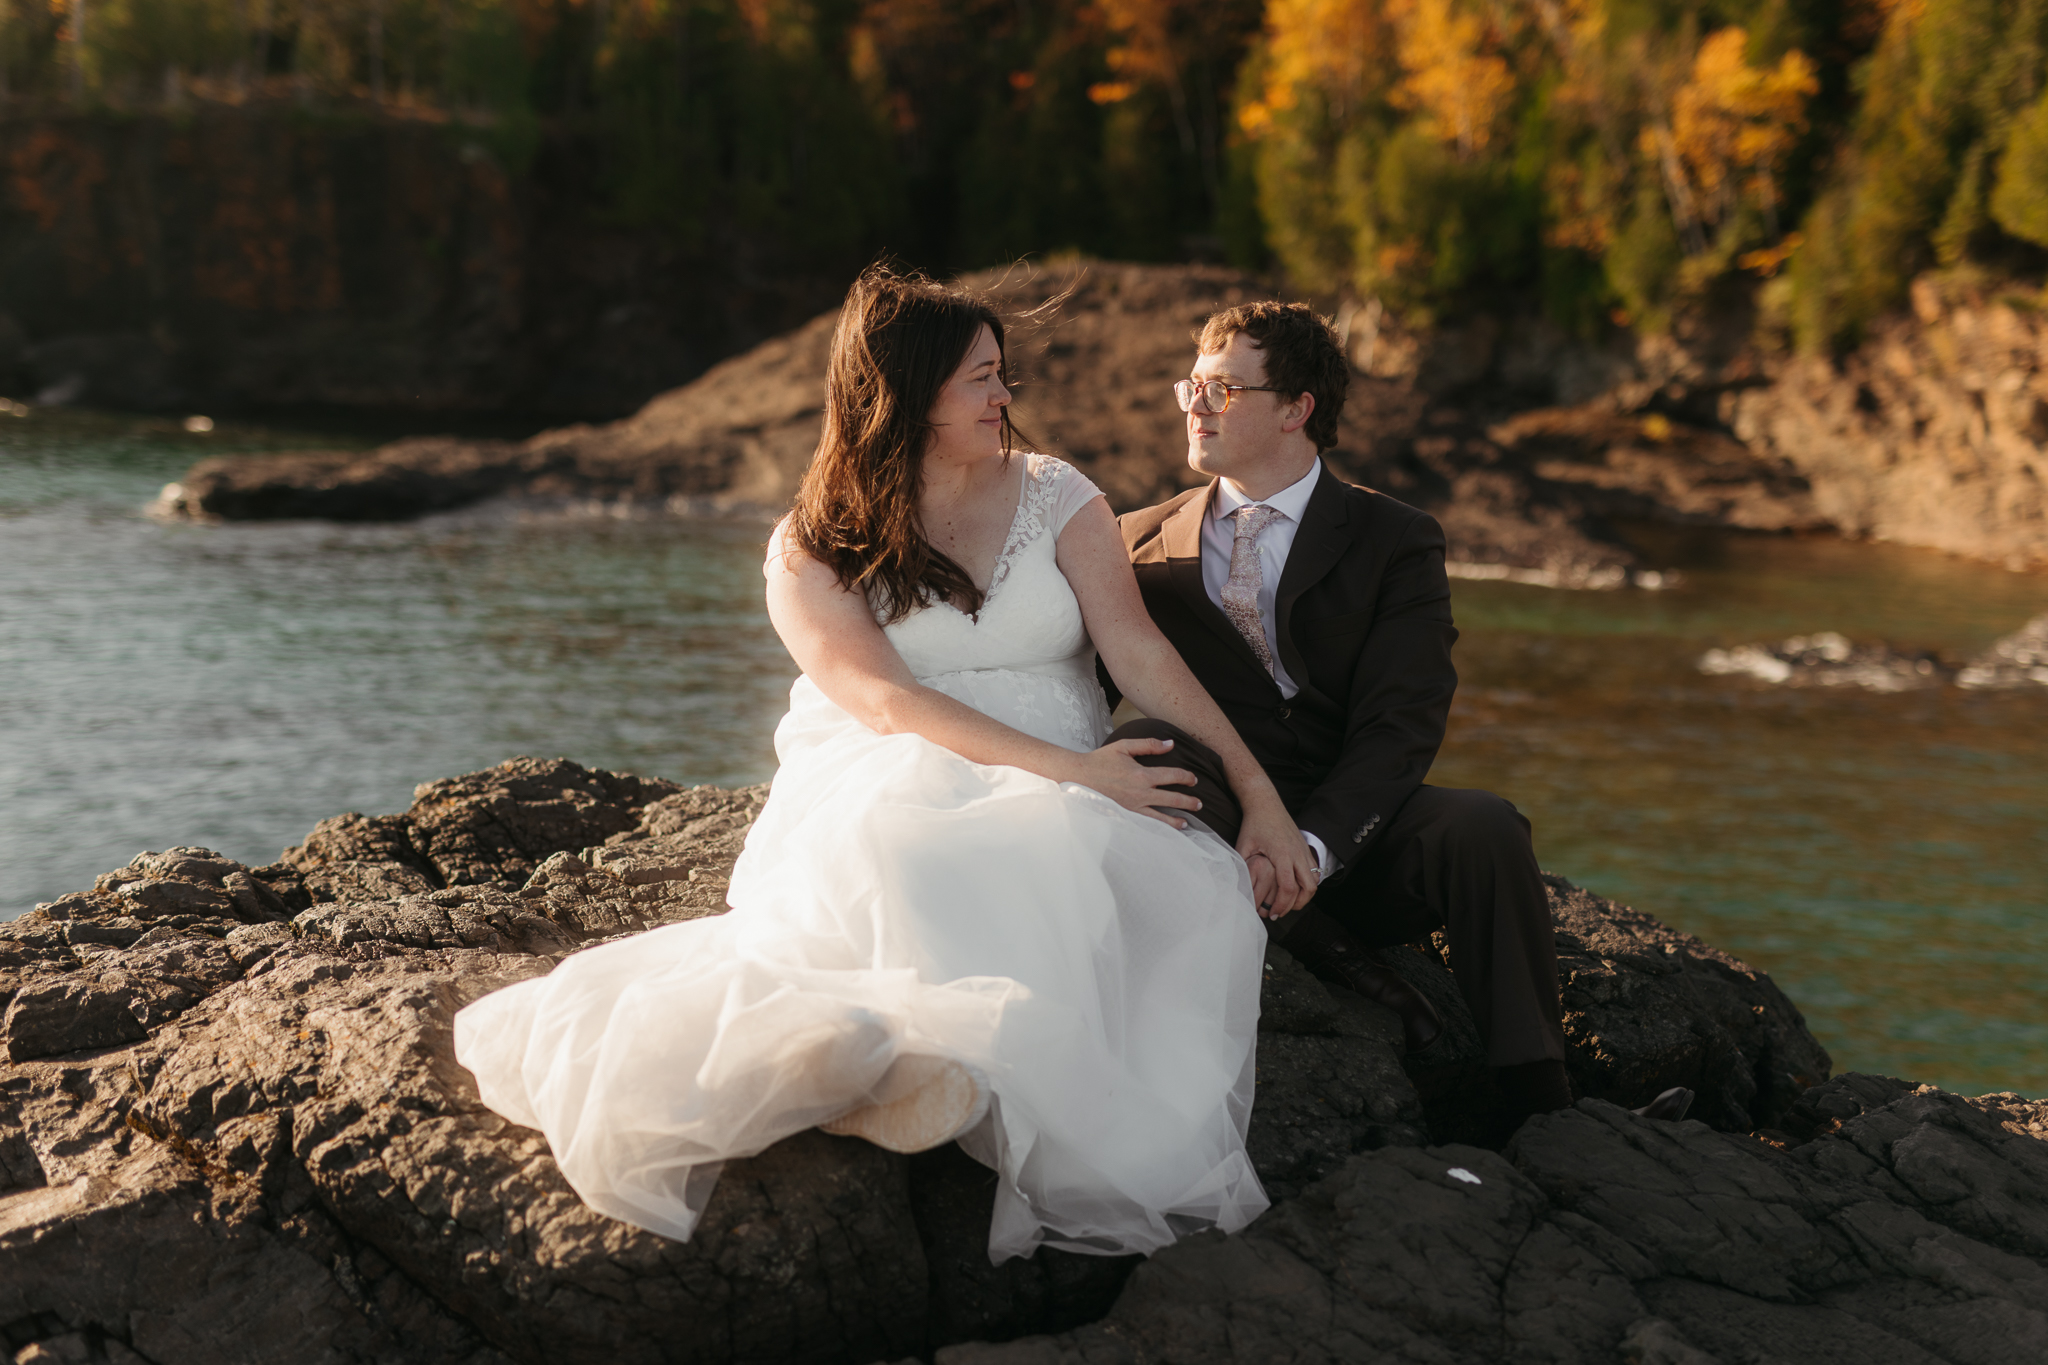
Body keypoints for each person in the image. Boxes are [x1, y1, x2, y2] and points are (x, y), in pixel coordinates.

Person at [453, 266, 1316, 1265]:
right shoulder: (811, 545)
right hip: (891, 764)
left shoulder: (1059, 496)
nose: (1005, 397)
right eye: (980, 379)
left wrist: (1256, 796)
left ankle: (889, 1076)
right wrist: (1074, 777)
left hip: (1062, 772)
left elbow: (1138, 655)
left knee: (1142, 880)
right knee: (910, 845)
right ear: (903, 394)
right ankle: (879, 1066)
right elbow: (885, 704)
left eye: (1002, 374)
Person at [1102, 301, 1589, 1128]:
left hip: (1353, 832)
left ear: (1297, 410)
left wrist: (1315, 849)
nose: (1194, 406)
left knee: (1486, 827)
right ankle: (1340, 959)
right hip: (1215, 815)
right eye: (1192, 386)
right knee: (1148, 749)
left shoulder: (1395, 538)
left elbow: (1402, 722)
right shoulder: (1133, 542)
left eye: (1222, 390)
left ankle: (1545, 1102)